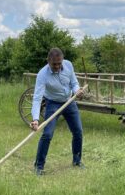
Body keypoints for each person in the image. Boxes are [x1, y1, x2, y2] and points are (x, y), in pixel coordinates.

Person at [30, 47, 85, 176]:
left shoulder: (68, 65)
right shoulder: (42, 74)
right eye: (54, 64)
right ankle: (39, 166)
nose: (57, 66)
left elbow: (74, 83)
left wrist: (77, 90)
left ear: (62, 60)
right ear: (48, 61)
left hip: (69, 101)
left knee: (78, 132)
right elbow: (37, 98)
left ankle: (77, 161)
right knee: (47, 134)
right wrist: (35, 119)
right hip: (53, 104)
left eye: (59, 63)